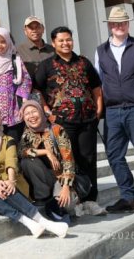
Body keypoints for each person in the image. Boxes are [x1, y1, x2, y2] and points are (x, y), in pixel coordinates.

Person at [0, 103, 68, 238]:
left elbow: (12, 161)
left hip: (12, 189)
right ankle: (35, 221)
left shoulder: (8, 139)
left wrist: (10, 181)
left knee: (7, 188)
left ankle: (35, 223)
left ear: (0, 118)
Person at [36, 26, 106, 217]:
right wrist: (47, 112)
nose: (65, 43)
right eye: (61, 41)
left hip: (87, 120)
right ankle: (74, 201)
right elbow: (37, 90)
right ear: (53, 43)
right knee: (68, 160)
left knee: (88, 160)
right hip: (62, 122)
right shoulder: (46, 65)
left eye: (68, 40)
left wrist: (98, 109)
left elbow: (96, 87)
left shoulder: (84, 62)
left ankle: (90, 200)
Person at [94, 6, 134, 216]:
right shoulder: (100, 50)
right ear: (110, 26)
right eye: (115, 23)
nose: (119, 26)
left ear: (127, 24)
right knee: (113, 155)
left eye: (123, 22)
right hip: (112, 111)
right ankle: (128, 196)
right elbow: (98, 82)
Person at [14, 99, 76, 220]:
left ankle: (63, 202)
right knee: (27, 161)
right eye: (27, 114)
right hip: (41, 183)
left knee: (66, 205)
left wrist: (65, 187)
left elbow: (68, 159)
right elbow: (21, 152)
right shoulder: (27, 134)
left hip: (59, 179)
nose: (31, 116)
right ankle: (43, 200)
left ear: (41, 112)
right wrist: (46, 152)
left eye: (34, 111)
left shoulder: (57, 130)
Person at [16, 16, 53, 84]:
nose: (34, 30)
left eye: (37, 27)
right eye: (31, 28)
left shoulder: (53, 50)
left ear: (43, 29)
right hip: (30, 92)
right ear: (25, 31)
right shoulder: (18, 51)